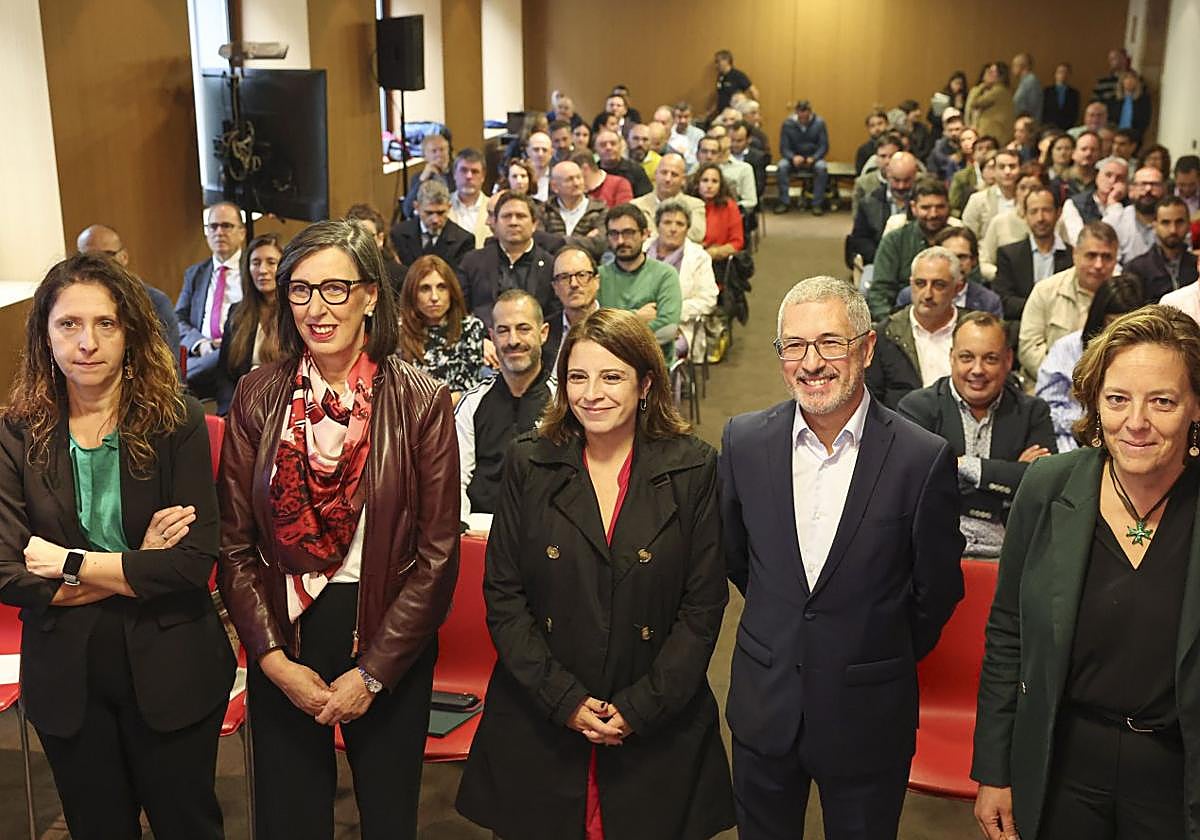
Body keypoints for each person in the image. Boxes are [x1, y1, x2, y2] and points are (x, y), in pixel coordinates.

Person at [218, 219, 458, 840]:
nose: (316, 308)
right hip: (285, 632)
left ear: (370, 295)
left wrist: (372, 671)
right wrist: (271, 659)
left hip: (386, 631)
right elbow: (236, 545)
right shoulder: (256, 395)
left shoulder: (422, 401)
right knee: (290, 820)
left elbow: (437, 557)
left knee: (387, 819)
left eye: (334, 289)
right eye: (300, 290)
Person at [456, 305, 735, 838]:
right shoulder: (528, 462)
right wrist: (563, 699)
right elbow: (504, 596)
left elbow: (702, 608)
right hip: (541, 716)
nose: (591, 394)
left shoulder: (693, 467)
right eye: (577, 377)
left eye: (611, 377)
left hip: (656, 722)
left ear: (645, 383)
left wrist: (640, 707)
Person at [0, 253, 235, 839]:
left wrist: (67, 564)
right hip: (66, 673)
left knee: (188, 827)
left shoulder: (176, 420)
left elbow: (190, 564)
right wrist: (137, 565)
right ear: (45, 335)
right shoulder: (15, 432)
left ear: (129, 331)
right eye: (68, 324)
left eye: (105, 323)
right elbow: (7, 574)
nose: (87, 342)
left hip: (173, 663)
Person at [721, 274, 964, 839]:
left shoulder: (921, 459)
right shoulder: (743, 442)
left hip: (868, 714)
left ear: (867, 347)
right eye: (794, 346)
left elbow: (935, 591)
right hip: (766, 705)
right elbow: (738, 558)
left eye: (830, 342)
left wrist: (872, 645)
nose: (812, 363)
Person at [973, 304, 1200, 840]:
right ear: (1095, 403)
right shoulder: (1047, 486)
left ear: (1196, 406)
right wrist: (995, 770)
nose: (1136, 422)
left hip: (1178, 774)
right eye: (1117, 399)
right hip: (1061, 765)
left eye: (1162, 401)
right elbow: (1008, 634)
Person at [898, 312, 1056, 558]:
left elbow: (1044, 488)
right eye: (966, 357)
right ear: (952, 357)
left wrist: (963, 465)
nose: (977, 369)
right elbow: (918, 488)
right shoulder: (917, 408)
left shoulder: (1033, 413)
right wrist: (1010, 479)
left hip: (1011, 558)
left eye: (990, 359)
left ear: (1008, 360)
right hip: (934, 554)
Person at [455, 289, 554, 523]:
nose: (513, 341)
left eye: (523, 328)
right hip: (481, 525)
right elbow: (455, 478)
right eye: (503, 330)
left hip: (545, 529)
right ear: (492, 336)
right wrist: (463, 526)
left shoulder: (563, 401)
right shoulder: (472, 403)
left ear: (543, 333)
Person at [1035, 274, 1146, 452]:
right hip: (1073, 440)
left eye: (1128, 325)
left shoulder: (1150, 358)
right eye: (1112, 323)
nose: (1120, 333)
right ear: (1099, 318)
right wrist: (1088, 423)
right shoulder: (1066, 349)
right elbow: (1046, 409)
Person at [868, 245, 974, 410]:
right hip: (902, 422)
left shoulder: (974, 332)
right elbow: (872, 401)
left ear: (957, 288)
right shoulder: (885, 335)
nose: (927, 294)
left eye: (939, 285)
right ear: (911, 284)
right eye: (920, 284)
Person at [1018, 221, 1119, 379]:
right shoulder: (1045, 291)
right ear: (1075, 254)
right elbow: (1029, 349)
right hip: (1051, 382)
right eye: (1091, 256)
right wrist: (1072, 379)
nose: (1098, 265)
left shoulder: (1125, 298)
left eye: (1107, 257)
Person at [457, 191, 559, 330]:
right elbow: (460, 310)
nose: (513, 222)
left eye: (520, 216)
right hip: (484, 340)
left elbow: (555, 315)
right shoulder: (472, 262)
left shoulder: (551, 266)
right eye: (506, 216)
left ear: (534, 224)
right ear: (495, 223)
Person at [75, 224, 179, 360]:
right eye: (87, 258)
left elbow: (168, 363)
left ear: (124, 257)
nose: (97, 265)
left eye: (106, 255)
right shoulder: (70, 303)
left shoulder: (154, 302)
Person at [177, 201, 245, 403]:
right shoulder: (195, 274)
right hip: (202, 353)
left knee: (225, 356)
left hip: (238, 352)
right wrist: (200, 343)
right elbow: (177, 319)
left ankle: (179, 379)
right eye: (213, 227)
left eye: (227, 226)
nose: (219, 232)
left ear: (242, 233)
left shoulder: (253, 270)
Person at [398, 254, 486, 400]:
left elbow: (471, 387)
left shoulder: (471, 328)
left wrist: (438, 407)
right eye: (425, 288)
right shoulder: (398, 331)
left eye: (442, 287)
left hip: (458, 409)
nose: (434, 297)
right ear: (412, 294)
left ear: (452, 291)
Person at [598, 204, 682, 354]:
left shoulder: (665, 274)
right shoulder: (599, 277)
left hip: (655, 362)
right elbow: (595, 330)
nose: (621, 241)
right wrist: (636, 317)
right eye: (614, 234)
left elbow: (667, 329)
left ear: (645, 234)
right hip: (609, 362)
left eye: (628, 233)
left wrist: (614, 332)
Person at [868, 176, 953, 320]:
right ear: (914, 208)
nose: (933, 214)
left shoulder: (959, 242)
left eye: (940, 207)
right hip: (902, 316)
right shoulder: (895, 240)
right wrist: (891, 325)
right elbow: (880, 293)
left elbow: (972, 287)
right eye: (926, 208)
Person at [216, 232, 286, 399]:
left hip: (283, 402)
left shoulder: (296, 312)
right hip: (242, 402)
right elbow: (223, 375)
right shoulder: (237, 312)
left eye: (271, 262)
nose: (262, 270)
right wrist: (230, 408)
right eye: (256, 263)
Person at [646, 200, 719, 357]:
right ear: (657, 226)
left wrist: (668, 313)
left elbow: (708, 300)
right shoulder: (642, 250)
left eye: (680, 224)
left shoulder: (699, 257)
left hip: (680, 325)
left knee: (654, 354)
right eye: (667, 222)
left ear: (687, 229)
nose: (673, 229)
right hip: (639, 321)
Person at [993, 186, 1074, 322]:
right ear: (1025, 215)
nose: (1040, 218)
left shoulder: (1073, 256)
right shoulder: (1009, 255)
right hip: (1020, 325)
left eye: (1046, 210)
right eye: (1033, 211)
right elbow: (1004, 301)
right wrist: (1041, 308)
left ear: (1058, 213)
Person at [894, 227, 1004, 318]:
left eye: (962, 257)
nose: (955, 263)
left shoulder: (988, 301)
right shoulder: (909, 296)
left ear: (974, 260)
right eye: (948, 256)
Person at [848, 151, 919, 268]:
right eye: (896, 180)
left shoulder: (925, 202)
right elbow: (860, 239)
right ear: (887, 174)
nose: (901, 186)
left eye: (907, 180)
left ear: (915, 175)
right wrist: (882, 258)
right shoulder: (868, 203)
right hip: (878, 262)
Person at [389, 179, 475, 275]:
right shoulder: (398, 234)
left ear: (449, 207)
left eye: (441, 213)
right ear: (416, 207)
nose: (435, 220)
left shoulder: (463, 241)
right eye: (429, 213)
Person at [1124, 196, 1198, 301]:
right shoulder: (1135, 269)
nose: (1173, 230)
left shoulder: (1197, 265)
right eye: (1165, 222)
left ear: (1189, 224)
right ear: (1154, 225)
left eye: (1179, 222)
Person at [631, 152, 707, 243]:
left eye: (674, 175)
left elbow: (697, 235)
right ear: (655, 174)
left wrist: (654, 235)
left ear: (683, 180)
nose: (668, 179)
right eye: (664, 173)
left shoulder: (695, 205)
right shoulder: (636, 206)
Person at [546, 245, 601, 364]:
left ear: (596, 281)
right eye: (564, 277)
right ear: (555, 287)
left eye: (582, 275)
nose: (574, 284)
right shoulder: (545, 332)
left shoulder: (617, 328)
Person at [775, 100, 830, 215]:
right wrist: (792, 157)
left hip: (813, 158)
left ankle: (817, 204)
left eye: (806, 116)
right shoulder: (788, 124)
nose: (803, 119)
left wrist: (814, 157)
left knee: (821, 168)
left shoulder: (819, 123)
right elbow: (784, 147)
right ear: (796, 113)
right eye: (801, 116)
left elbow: (823, 146)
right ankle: (784, 202)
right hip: (793, 159)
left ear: (810, 112)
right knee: (782, 167)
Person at [1103, 165, 1166, 265]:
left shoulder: (1174, 222)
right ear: (1131, 190)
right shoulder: (1114, 221)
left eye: (1154, 184)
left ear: (1164, 190)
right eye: (1142, 184)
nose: (1148, 189)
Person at [1061, 155, 1128, 246]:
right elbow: (1080, 242)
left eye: (1119, 178)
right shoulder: (1074, 203)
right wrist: (1114, 206)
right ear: (1097, 176)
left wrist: (1114, 203)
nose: (1112, 181)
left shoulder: (1131, 207)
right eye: (1108, 175)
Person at [542, 160, 608, 251]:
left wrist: (558, 241)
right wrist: (585, 240)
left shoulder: (600, 210)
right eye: (569, 179)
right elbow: (540, 241)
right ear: (555, 187)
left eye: (579, 177)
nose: (576, 183)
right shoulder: (544, 210)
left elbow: (599, 244)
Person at [963, 147, 1021, 239]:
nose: (1007, 172)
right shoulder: (977, 200)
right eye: (1001, 167)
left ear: (1020, 169)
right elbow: (968, 237)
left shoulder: (1028, 199)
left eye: (1012, 166)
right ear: (994, 170)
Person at [690, 163, 745, 260]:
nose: (709, 186)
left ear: (720, 186)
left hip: (717, 259)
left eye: (714, 181)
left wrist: (714, 252)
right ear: (697, 183)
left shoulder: (729, 206)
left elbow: (737, 242)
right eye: (705, 180)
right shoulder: (687, 204)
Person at [347, 203, 407, 290]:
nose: (362, 242)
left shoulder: (400, 275)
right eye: (356, 235)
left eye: (368, 236)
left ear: (380, 239)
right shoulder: (339, 271)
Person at [399, 131, 452, 219]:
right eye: (434, 151)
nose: (439, 154)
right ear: (425, 156)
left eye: (442, 150)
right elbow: (408, 210)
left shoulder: (457, 174)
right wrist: (422, 180)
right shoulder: (418, 177)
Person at [448, 148, 490, 248]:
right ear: (454, 174)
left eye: (475, 171)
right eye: (463, 170)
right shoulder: (442, 207)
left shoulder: (494, 208)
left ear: (483, 176)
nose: (469, 176)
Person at [967, 62, 1015, 145]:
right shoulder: (1003, 90)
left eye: (992, 72)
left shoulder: (998, 90)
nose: (989, 74)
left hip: (994, 132)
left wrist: (982, 86)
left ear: (1000, 75)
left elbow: (974, 103)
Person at [595, 128, 652, 197]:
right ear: (596, 149)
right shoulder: (593, 172)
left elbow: (645, 198)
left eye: (613, 144)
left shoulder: (636, 170)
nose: (608, 148)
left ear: (620, 146)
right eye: (603, 145)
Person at [1109, 70, 1152, 145]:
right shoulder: (1113, 99)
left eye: (1132, 78)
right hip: (1115, 134)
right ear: (1122, 82)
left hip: (1134, 136)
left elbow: (1145, 119)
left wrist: (1136, 135)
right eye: (1126, 78)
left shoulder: (1144, 100)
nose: (1129, 81)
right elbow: (1110, 117)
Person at [930, 71, 968, 139]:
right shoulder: (941, 97)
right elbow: (930, 117)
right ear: (950, 83)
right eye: (956, 83)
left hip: (957, 133)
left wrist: (959, 108)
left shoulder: (964, 98)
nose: (958, 86)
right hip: (939, 131)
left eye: (961, 84)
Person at [1043, 62, 1081, 131]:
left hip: (1067, 127)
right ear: (1055, 74)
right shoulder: (1047, 91)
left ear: (1069, 75)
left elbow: (1075, 113)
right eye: (1060, 72)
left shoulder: (1074, 94)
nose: (1063, 75)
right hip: (1049, 126)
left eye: (1065, 72)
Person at [668, 101, 706, 167]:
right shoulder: (668, 132)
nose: (683, 121)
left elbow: (700, 158)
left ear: (691, 117)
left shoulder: (699, 134)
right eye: (679, 117)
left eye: (686, 117)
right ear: (673, 118)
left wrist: (685, 154)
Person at [1010, 53, 1043, 122]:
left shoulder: (1031, 82)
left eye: (1014, 65)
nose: (1012, 68)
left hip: (1028, 124)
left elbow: (1032, 107)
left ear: (1022, 66)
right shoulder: (1023, 82)